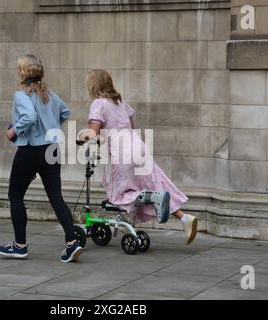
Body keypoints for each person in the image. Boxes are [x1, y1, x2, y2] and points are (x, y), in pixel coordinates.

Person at [80, 69, 198, 244]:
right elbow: (131, 125)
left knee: (118, 196)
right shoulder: (119, 102)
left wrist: (81, 138)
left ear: (93, 85)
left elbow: (93, 131)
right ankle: (184, 218)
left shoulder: (99, 104)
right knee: (158, 183)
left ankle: (154, 199)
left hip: (121, 153)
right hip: (137, 147)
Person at [0, 55, 82, 262]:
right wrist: (50, 126)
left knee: (15, 196)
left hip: (30, 150)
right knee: (56, 197)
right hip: (51, 149)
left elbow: (30, 117)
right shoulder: (49, 94)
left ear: (23, 73)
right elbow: (65, 112)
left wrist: (14, 131)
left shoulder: (21, 95)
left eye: (18, 68)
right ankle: (72, 243)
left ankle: (19, 246)